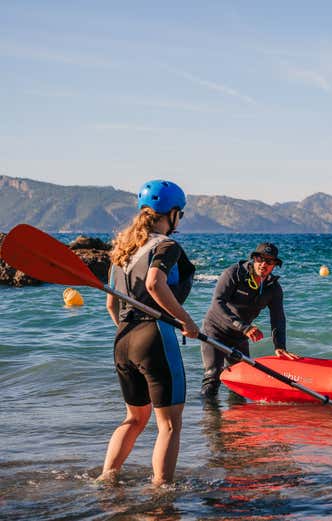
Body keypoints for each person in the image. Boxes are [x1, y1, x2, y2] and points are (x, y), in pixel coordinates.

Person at [102, 179, 198, 486]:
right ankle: (162, 494)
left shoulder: (122, 253)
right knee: (169, 425)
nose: (179, 219)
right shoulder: (166, 246)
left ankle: (107, 478)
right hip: (153, 335)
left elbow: (111, 304)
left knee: (134, 418)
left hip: (123, 339)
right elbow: (156, 283)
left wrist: (129, 333)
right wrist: (186, 321)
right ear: (171, 214)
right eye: (179, 213)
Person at [200, 242, 300, 399]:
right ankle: (210, 422)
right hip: (215, 331)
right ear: (254, 259)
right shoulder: (234, 274)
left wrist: (280, 346)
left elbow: (278, 317)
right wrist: (244, 327)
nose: (264, 264)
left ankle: (237, 422)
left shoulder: (273, 288)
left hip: (239, 337)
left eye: (270, 261)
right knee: (212, 380)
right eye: (261, 259)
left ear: (275, 265)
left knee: (240, 383)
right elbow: (217, 303)